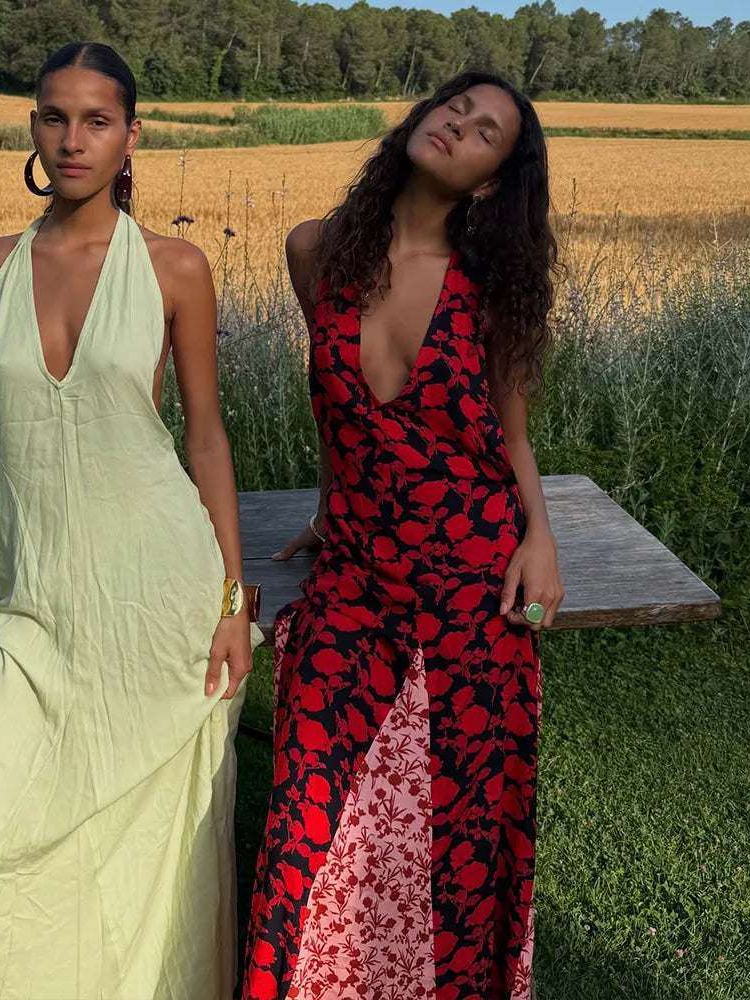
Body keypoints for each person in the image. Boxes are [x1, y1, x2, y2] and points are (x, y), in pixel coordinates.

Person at [0, 41, 262, 999]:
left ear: (133, 134)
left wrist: (232, 599)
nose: (73, 138)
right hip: (37, 614)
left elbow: (206, 439)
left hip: (159, 602)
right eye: (54, 116)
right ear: (32, 128)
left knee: (148, 862)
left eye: (96, 120)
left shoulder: (177, 268)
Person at [242, 70, 564, 1000]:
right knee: (307, 822)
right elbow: (335, 416)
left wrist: (538, 534)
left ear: (494, 181)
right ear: (421, 120)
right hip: (354, 580)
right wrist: (325, 507)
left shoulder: (492, 289)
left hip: (474, 578)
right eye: (454, 109)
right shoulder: (316, 253)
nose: (459, 127)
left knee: (461, 834)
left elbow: (510, 435)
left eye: (487, 132)